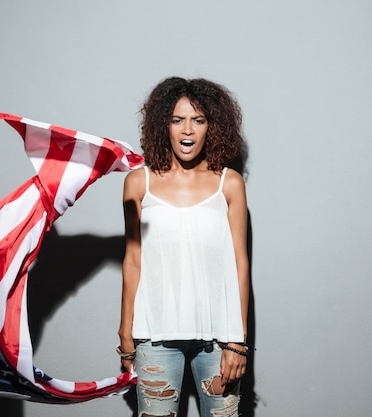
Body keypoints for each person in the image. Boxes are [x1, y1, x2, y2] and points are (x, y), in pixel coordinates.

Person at [118, 76, 250, 417]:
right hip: (154, 334)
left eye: (198, 120)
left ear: (212, 127)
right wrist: (126, 331)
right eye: (177, 120)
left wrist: (237, 340)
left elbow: (240, 264)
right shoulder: (137, 183)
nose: (187, 130)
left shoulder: (229, 184)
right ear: (165, 125)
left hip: (219, 336)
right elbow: (133, 260)